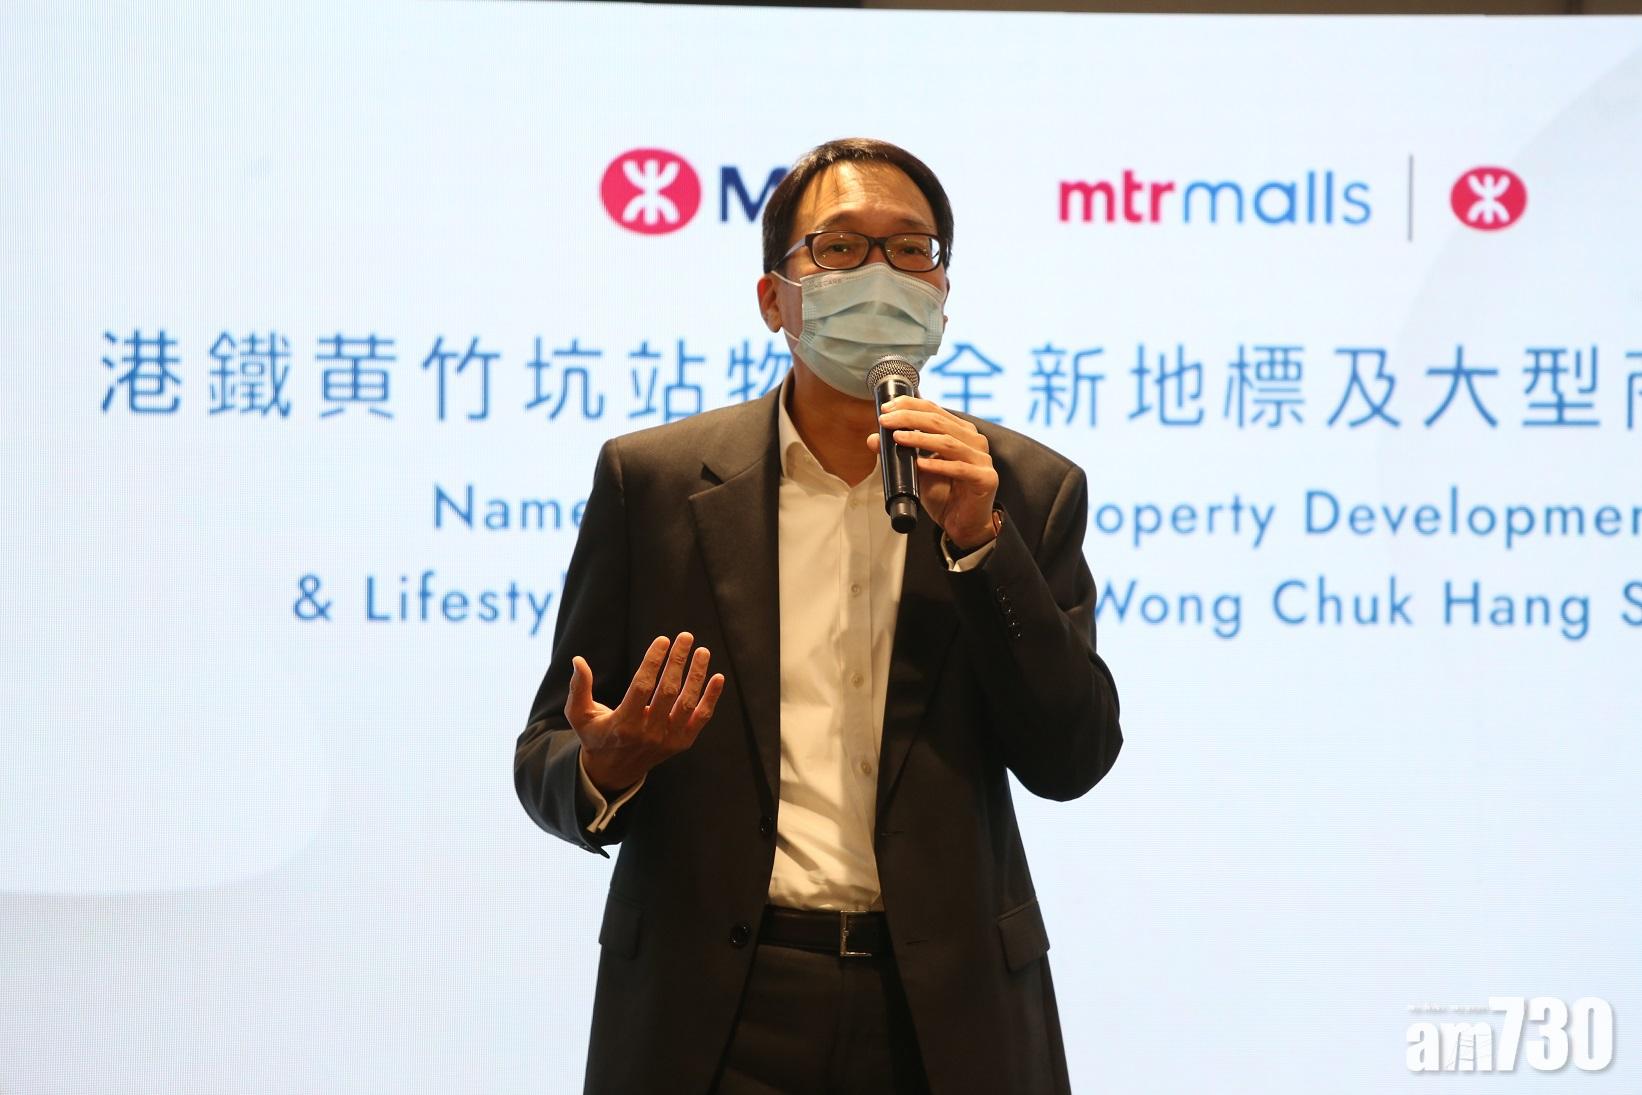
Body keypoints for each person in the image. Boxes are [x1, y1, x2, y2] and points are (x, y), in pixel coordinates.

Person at [515, 137, 1122, 1095]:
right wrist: (607, 763)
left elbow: (1072, 756)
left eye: (911, 249)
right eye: (841, 248)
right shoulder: (655, 483)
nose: (881, 273)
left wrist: (980, 544)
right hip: (715, 1007)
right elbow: (549, 750)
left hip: (944, 1014)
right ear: (775, 299)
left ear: (942, 295)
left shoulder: (1023, 491)